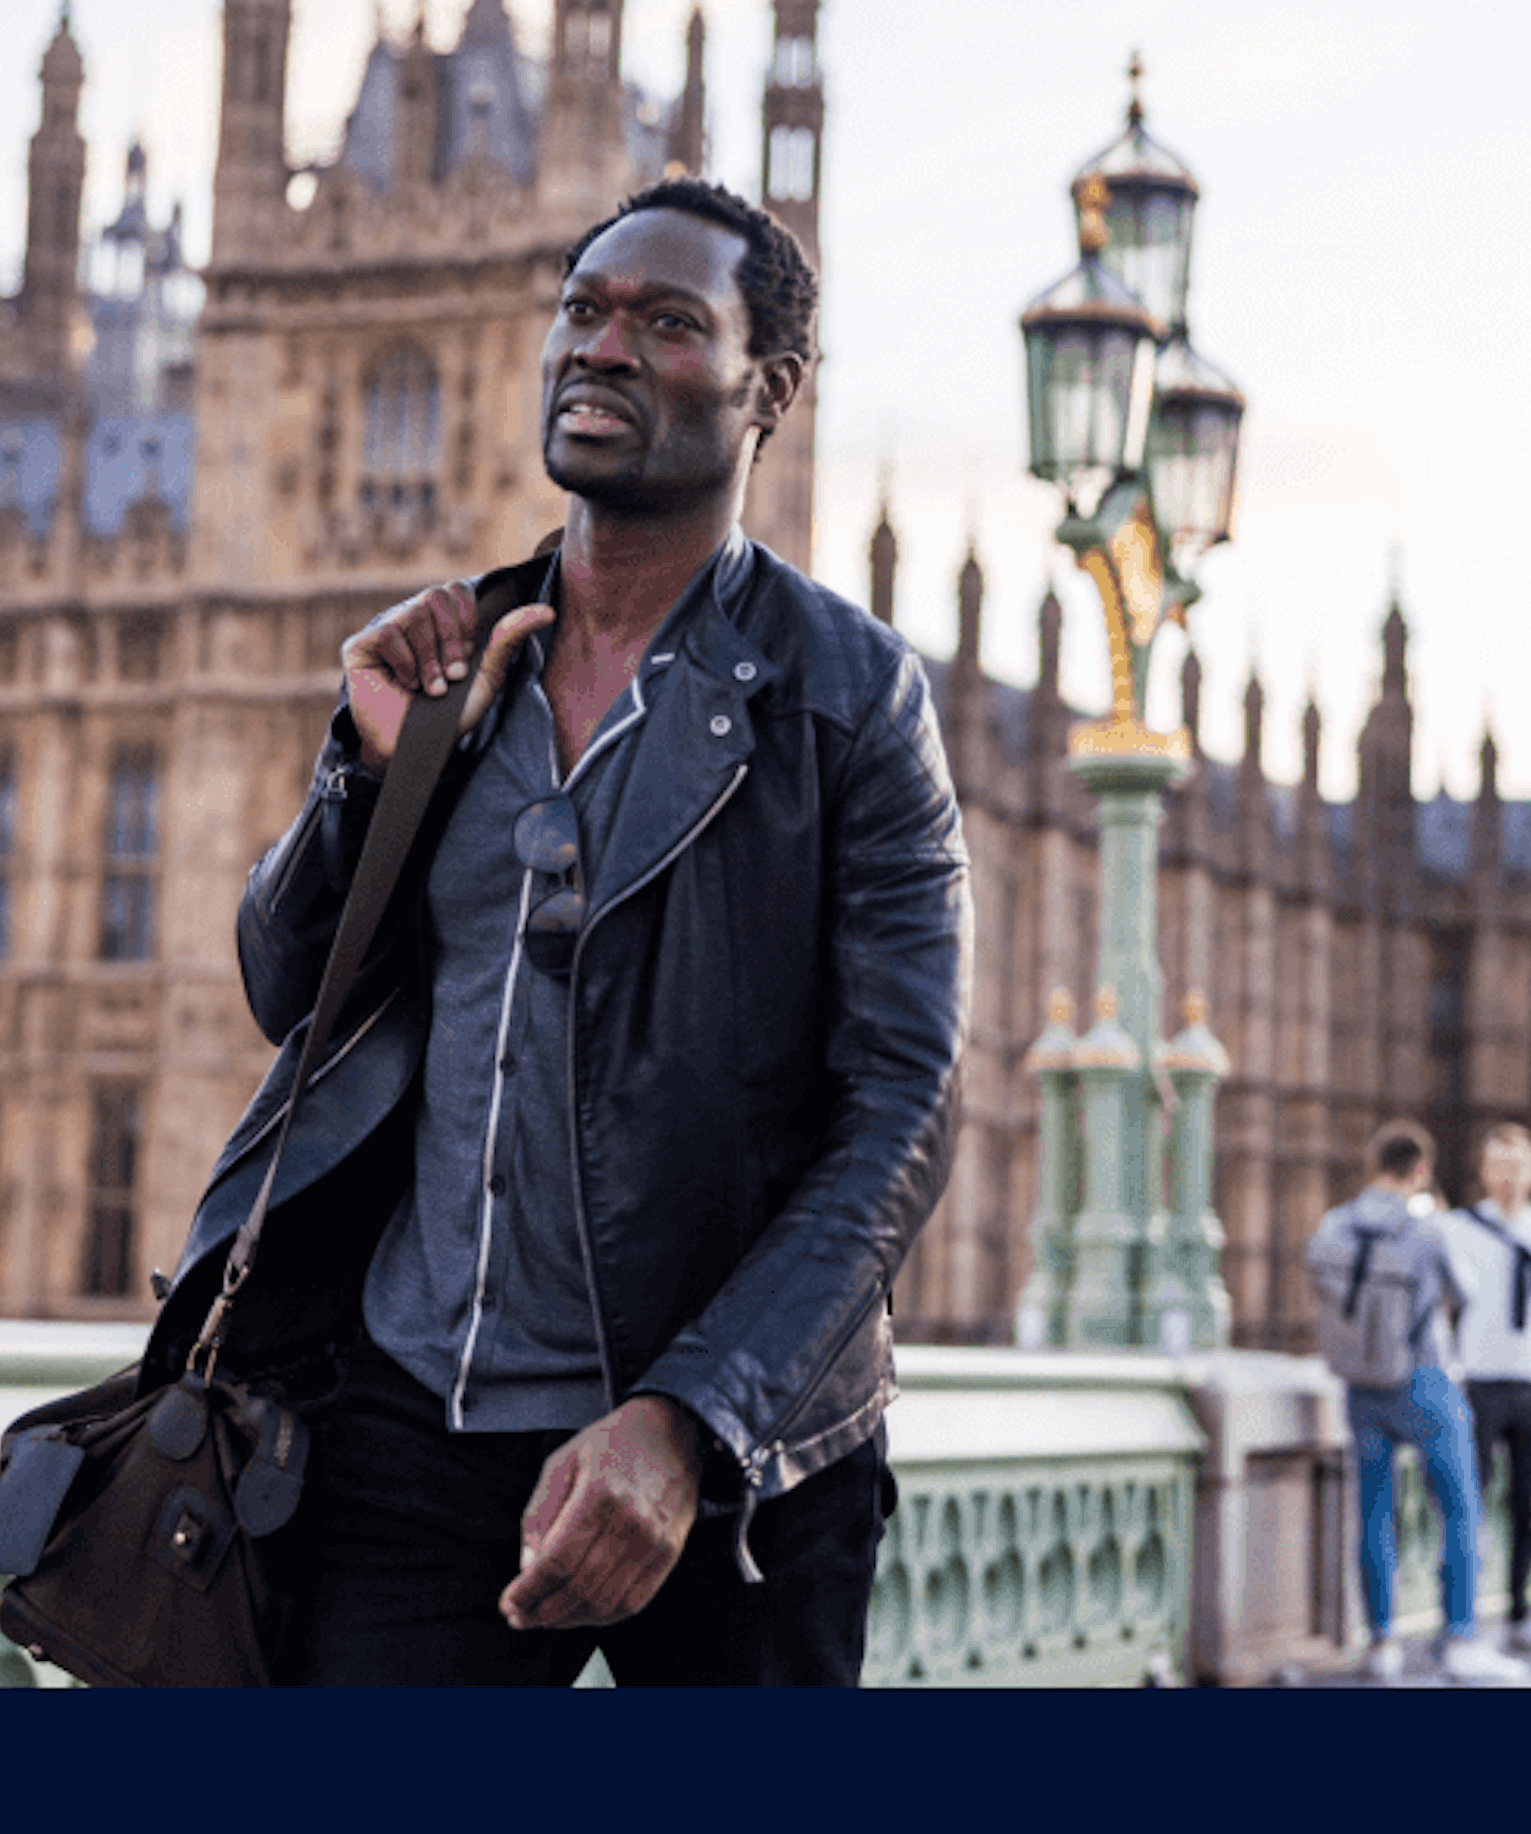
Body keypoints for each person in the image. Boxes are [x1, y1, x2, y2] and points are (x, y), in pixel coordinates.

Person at [171, 177, 970, 1685]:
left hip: (736, 1463)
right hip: (417, 1419)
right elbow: (290, 989)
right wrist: (370, 767)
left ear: (768, 389)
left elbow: (904, 1108)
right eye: (582, 311)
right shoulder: (455, 649)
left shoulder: (848, 698)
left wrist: (690, 1416)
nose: (602, 347)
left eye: (667, 322)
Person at [1307, 1123, 1531, 1683]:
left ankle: (1382, 1640)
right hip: (1425, 1378)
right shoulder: (1428, 1228)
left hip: (1361, 1384)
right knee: (1459, 1509)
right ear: (1420, 1171)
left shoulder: (1333, 1225)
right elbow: (1466, 1293)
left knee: (1374, 1514)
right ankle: (1458, 1637)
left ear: (1373, 1164)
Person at [1444, 1120, 1531, 1657]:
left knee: (1526, 1504)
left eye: (1517, 1165)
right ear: (1483, 1170)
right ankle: (1464, 1618)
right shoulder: (1459, 1227)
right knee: (1468, 1503)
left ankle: (1520, 1616)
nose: (1507, 1176)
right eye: (1498, 1164)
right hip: (1477, 1377)